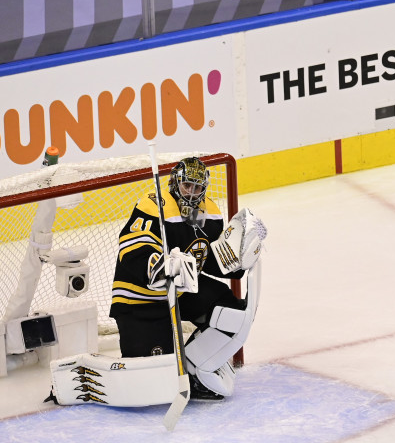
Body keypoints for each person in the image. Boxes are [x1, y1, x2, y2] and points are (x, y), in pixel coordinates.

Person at [47, 156, 267, 407]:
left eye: (198, 188)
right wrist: (160, 265)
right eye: (187, 186)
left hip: (183, 292)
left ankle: (196, 369)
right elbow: (130, 249)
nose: (192, 193)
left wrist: (238, 256)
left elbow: (211, 259)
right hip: (140, 301)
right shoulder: (153, 205)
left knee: (232, 313)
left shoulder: (210, 211)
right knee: (154, 377)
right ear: (175, 183)